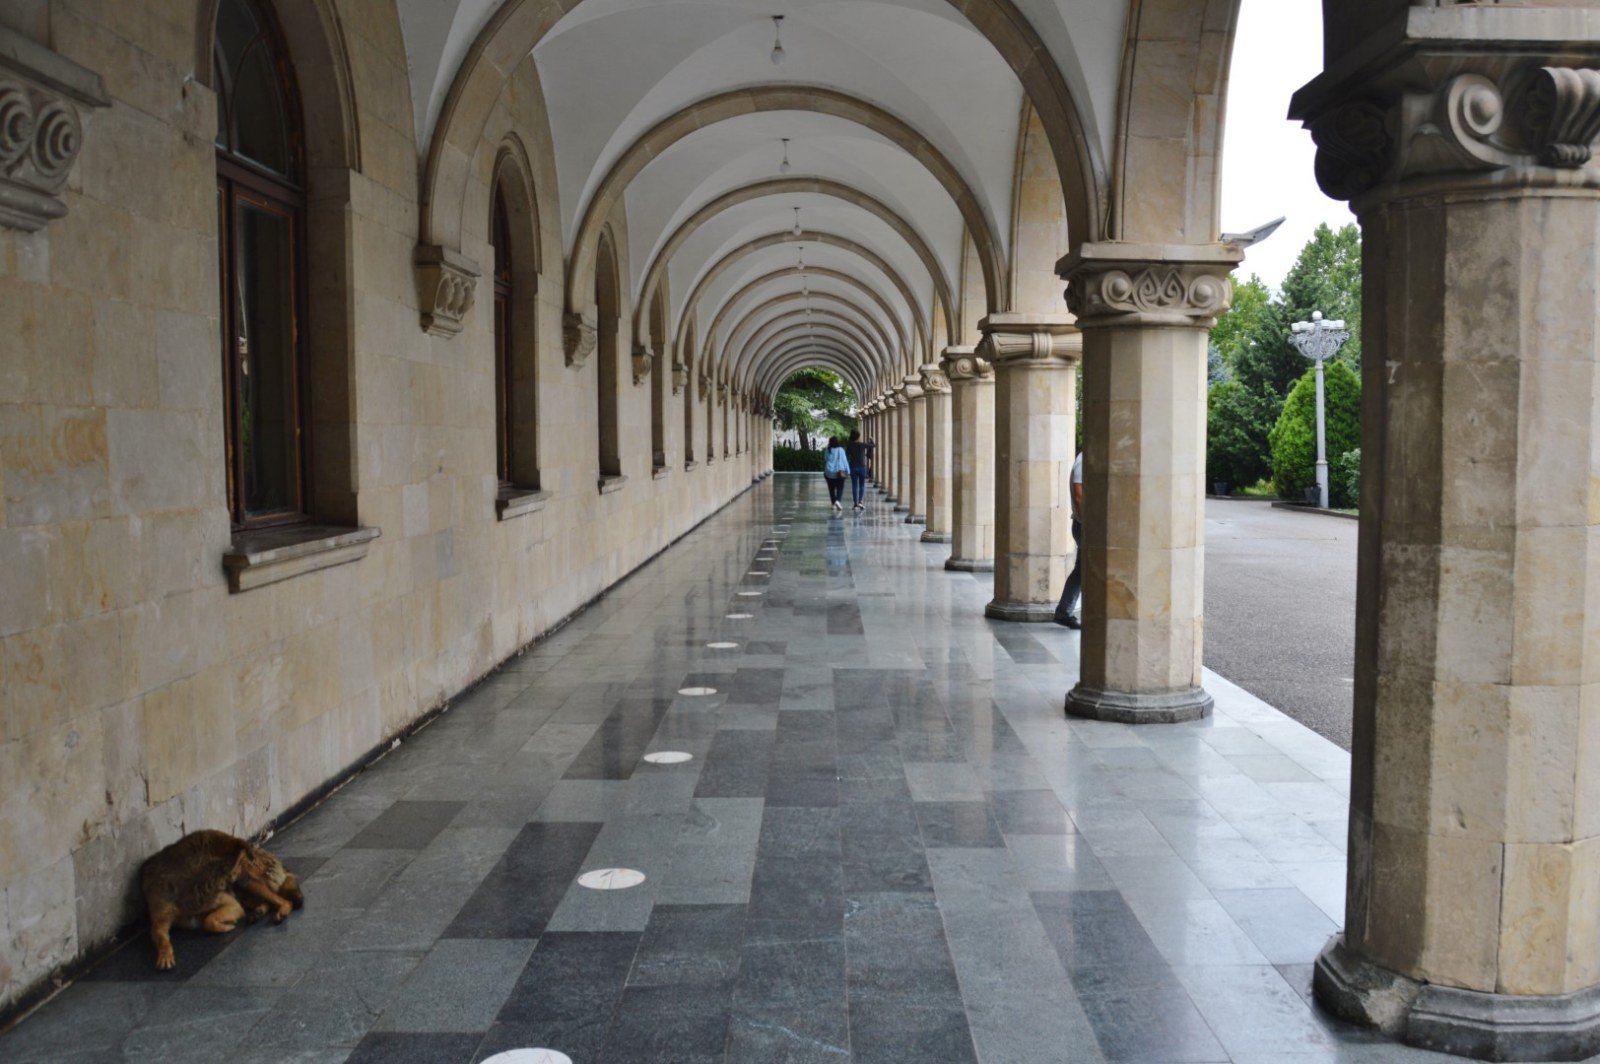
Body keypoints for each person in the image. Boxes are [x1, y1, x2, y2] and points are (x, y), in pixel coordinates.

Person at [1054, 451, 1084, 628]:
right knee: (1083, 571)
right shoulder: (1083, 461)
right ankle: (1064, 612)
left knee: (1081, 571)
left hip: (1083, 524)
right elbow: (1078, 494)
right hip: (1083, 525)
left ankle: (1063, 612)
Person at [845, 430, 871, 511]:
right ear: (858, 437)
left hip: (853, 467)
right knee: (862, 485)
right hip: (862, 467)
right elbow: (873, 445)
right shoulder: (862, 445)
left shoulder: (849, 445)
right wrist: (871, 440)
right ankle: (860, 501)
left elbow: (846, 456)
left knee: (854, 485)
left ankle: (855, 503)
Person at [823, 436, 850, 512]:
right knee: (840, 488)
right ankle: (838, 501)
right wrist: (848, 471)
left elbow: (825, 458)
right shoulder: (841, 450)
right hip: (839, 472)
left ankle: (833, 504)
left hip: (829, 472)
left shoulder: (827, 450)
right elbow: (845, 461)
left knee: (831, 489)